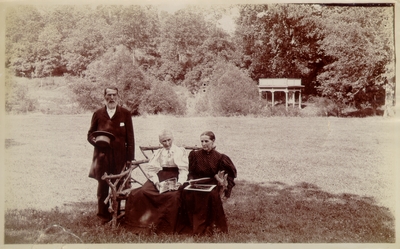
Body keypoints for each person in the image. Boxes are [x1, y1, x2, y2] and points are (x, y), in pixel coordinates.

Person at [124, 130, 188, 234]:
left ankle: (164, 227)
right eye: (164, 141)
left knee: (173, 196)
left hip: (175, 176)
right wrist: (156, 182)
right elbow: (152, 169)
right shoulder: (159, 152)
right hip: (160, 176)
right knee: (143, 192)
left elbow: (183, 170)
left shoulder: (179, 151)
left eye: (169, 140)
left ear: (172, 139)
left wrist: (180, 182)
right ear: (160, 142)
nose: (167, 143)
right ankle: (142, 225)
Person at [87, 86, 135, 223]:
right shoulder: (98, 114)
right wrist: (96, 142)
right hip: (102, 157)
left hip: (120, 158)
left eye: (114, 95)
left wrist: (129, 159)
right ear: (104, 96)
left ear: (118, 96)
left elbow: (130, 138)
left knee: (118, 187)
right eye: (109, 95)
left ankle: (117, 214)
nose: (112, 98)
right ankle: (103, 216)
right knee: (102, 187)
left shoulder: (125, 113)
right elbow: (90, 134)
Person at [178, 131, 237, 235]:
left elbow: (231, 174)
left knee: (211, 195)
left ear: (213, 141)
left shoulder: (220, 157)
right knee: (185, 192)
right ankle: (188, 225)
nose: (204, 144)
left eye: (206, 141)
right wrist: (190, 180)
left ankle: (209, 224)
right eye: (202, 141)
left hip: (212, 183)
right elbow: (190, 172)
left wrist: (225, 185)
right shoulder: (195, 155)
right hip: (196, 181)